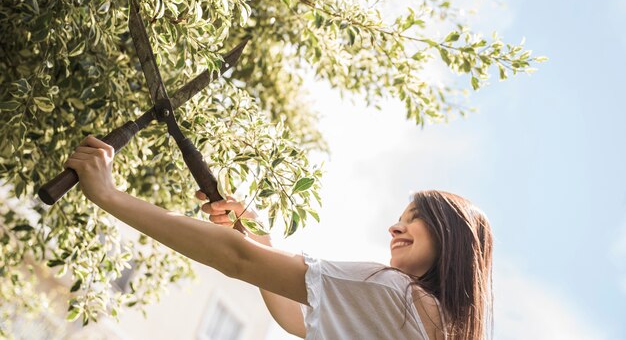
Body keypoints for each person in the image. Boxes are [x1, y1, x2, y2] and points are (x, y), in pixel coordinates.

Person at [65, 136, 494, 340]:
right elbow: (295, 317)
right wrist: (261, 239)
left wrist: (108, 194)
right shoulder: (434, 326)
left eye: (414, 219)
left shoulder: (396, 294)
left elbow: (238, 260)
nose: (394, 228)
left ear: (452, 240)